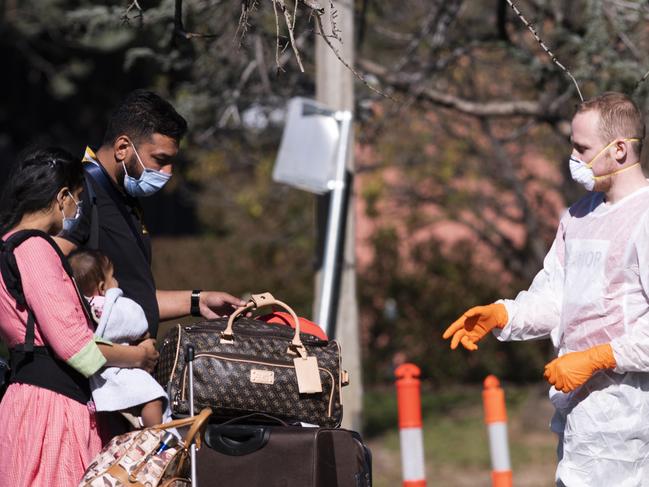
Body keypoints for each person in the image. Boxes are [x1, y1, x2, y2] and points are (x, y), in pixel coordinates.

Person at [442, 92, 649, 485]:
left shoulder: (645, 216)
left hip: (629, 424)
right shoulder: (578, 216)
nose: (573, 157)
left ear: (619, 149)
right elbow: (555, 296)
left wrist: (599, 357)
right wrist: (504, 314)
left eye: (582, 148)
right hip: (577, 423)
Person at [0, 147, 159, 486]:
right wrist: (139, 357)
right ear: (62, 197)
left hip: (26, 400)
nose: (78, 209)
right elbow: (77, 348)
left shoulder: (7, 246)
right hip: (51, 409)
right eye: (78, 199)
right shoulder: (36, 249)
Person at [56, 90, 245, 337]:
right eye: (159, 159)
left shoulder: (127, 201)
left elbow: (136, 299)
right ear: (122, 147)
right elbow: (46, 277)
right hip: (96, 369)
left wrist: (198, 301)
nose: (167, 172)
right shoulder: (78, 193)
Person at [69, 249, 170, 427]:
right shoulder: (114, 306)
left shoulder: (81, 308)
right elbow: (136, 322)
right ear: (102, 287)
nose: (117, 282)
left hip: (100, 376)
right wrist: (145, 333)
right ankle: (154, 433)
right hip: (122, 368)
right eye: (112, 277)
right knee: (153, 396)